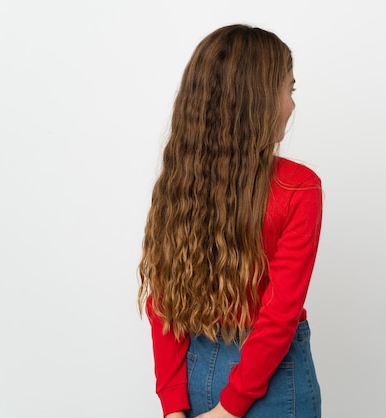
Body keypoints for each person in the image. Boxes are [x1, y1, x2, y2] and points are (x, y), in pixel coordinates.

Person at [138, 24, 323, 418]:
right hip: (273, 384)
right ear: (257, 100)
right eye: (288, 90)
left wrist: (173, 405)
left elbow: (164, 302)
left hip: (197, 375)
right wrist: (228, 409)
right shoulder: (298, 188)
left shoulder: (179, 183)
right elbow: (278, 317)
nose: (292, 105)